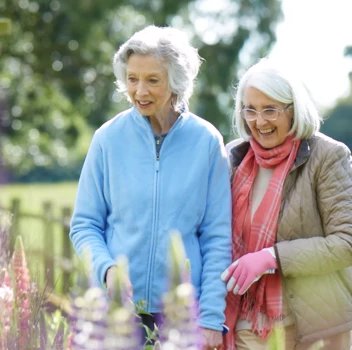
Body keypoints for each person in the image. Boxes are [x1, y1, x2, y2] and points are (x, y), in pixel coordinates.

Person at [69, 25, 232, 349]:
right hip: (115, 311)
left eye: (152, 80)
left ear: (176, 81)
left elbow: (217, 237)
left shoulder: (207, 142)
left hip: (180, 315)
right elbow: (85, 224)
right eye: (132, 79)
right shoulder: (107, 139)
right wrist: (108, 270)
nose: (140, 91)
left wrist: (211, 317)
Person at [220, 58, 352, 350]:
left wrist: (272, 257)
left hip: (317, 324)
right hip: (248, 323)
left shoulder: (328, 156)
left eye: (270, 110)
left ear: (294, 110)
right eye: (250, 110)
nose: (260, 121)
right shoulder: (233, 158)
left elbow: (349, 243)